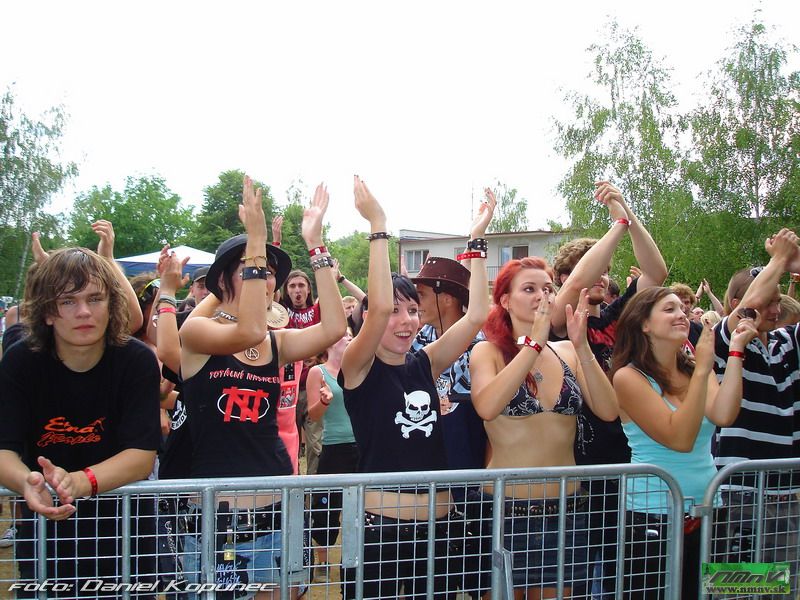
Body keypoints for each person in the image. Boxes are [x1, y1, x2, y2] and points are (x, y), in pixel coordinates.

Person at [178, 176, 345, 598]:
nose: (265, 278)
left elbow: (333, 327)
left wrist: (316, 245)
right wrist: (255, 240)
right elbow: (248, 328)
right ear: (223, 282)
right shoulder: (197, 333)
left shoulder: (276, 342)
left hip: (276, 510)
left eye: (269, 272)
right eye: (252, 268)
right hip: (215, 520)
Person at [340, 177, 492, 599]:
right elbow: (377, 309)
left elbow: (477, 314)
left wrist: (476, 242)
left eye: (413, 309)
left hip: (439, 531)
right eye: (395, 310)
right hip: (381, 532)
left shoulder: (425, 362)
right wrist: (378, 225)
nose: (406, 320)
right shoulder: (359, 366)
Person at [0, 246, 162, 595]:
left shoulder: (137, 361)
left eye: (95, 298)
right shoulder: (19, 362)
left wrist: (77, 482)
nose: (84, 311)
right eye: (68, 301)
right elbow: (4, 450)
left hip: (128, 534)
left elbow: (141, 455)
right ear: (47, 312)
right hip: (45, 537)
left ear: (112, 304)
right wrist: (27, 482)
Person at [469, 257, 618, 598]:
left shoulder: (566, 351)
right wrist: (532, 344)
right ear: (505, 300)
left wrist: (582, 346)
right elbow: (487, 407)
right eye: (529, 289)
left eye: (548, 289)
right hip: (504, 511)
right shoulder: (487, 352)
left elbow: (609, 411)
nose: (542, 296)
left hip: (567, 509)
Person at [550, 181, 667, 597]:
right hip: (582, 463)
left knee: (628, 569)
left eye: (605, 269)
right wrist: (615, 226)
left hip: (629, 454)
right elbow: (575, 286)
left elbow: (656, 272)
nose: (600, 275)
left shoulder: (617, 316)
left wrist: (627, 212)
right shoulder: (559, 321)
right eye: (591, 267)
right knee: (584, 573)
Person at [610, 287, 757, 599]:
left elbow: (724, 414)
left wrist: (735, 353)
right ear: (644, 324)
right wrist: (703, 369)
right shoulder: (628, 377)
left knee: (710, 591)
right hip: (653, 513)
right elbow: (680, 438)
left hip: (709, 507)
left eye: (682, 308)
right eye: (669, 309)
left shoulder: (695, 369)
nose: (681, 315)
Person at [713, 228, 800, 597]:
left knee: (783, 590)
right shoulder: (724, 341)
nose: (775, 310)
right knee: (739, 590)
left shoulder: (788, 342)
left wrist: (796, 264)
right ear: (735, 302)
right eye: (769, 302)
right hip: (741, 495)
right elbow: (748, 310)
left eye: (779, 301)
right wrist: (779, 259)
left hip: (787, 493)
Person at [306, 330, 358, 585]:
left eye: (350, 334)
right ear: (329, 343)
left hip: (361, 447)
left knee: (359, 506)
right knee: (326, 507)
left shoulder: (358, 368)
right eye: (343, 335)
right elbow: (313, 415)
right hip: (334, 447)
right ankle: (323, 561)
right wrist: (324, 402)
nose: (348, 337)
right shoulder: (318, 372)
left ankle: (352, 558)